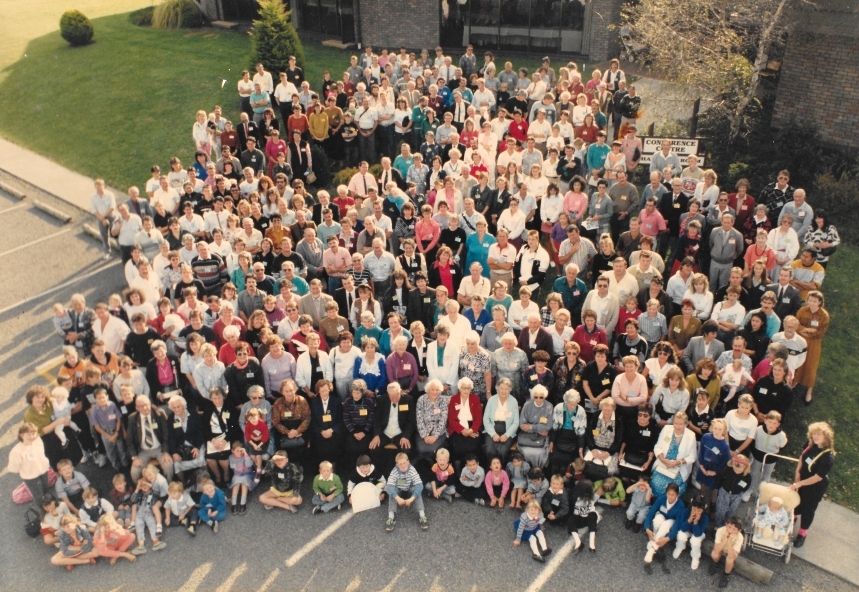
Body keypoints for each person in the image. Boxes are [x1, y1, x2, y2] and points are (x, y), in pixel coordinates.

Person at [791, 421, 835, 548]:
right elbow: (802, 456)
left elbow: (817, 477)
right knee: (796, 501)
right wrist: (797, 471)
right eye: (814, 433)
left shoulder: (828, 457)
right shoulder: (811, 444)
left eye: (819, 434)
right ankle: (792, 519)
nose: (815, 437)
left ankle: (802, 533)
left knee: (808, 509)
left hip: (815, 486)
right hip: (802, 478)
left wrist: (799, 484)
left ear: (826, 437)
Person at [650, 411, 697, 498]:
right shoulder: (666, 429)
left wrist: (678, 462)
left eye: (681, 424)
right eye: (675, 423)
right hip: (663, 464)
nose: (677, 426)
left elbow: (692, 457)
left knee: (674, 489)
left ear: (685, 424)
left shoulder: (691, 435)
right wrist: (663, 460)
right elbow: (657, 447)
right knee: (656, 484)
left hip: (679, 467)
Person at [642, 482, 686, 573]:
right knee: (657, 520)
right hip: (661, 516)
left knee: (665, 525)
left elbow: (677, 525)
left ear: (677, 495)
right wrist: (646, 528)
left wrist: (668, 538)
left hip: (671, 521)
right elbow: (651, 513)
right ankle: (655, 539)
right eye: (668, 494)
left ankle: (652, 549)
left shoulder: (681, 505)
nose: (670, 497)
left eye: (673, 495)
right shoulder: (661, 498)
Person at [795, 290, 829, 405]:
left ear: (820, 302)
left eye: (815, 301)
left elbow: (820, 333)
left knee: (811, 364)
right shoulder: (802, 310)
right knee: (799, 360)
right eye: (810, 300)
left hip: (814, 343)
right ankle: (796, 380)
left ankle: (809, 388)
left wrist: (807, 333)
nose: (812, 303)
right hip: (801, 339)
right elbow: (796, 324)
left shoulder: (824, 316)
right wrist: (806, 330)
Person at [385, 452, 428, 532]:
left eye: (404, 463)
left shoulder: (412, 470)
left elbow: (419, 485)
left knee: (417, 491)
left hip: (409, 489)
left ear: (408, 462)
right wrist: (397, 498)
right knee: (391, 492)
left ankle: (422, 516)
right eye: (400, 464)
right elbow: (389, 486)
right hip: (399, 490)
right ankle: (391, 517)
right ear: (397, 464)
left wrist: (412, 498)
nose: (403, 465)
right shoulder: (395, 471)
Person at [713, 455, 752, 527]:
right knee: (721, 511)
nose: (737, 471)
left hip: (737, 495)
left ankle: (727, 524)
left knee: (731, 511)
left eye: (739, 469)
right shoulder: (726, 470)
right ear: (732, 464)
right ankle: (717, 525)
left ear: (745, 467)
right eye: (735, 469)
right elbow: (719, 478)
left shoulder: (747, 476)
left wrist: (740, 492)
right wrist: (717, 487)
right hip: (724, 492)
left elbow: (746, 486)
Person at [672, 496, 709, 571]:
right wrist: (689, 520)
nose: (696, 512)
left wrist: (695, 522)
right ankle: (680, 547)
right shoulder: (686, 511)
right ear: (691, 507)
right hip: (688, 529)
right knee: (681, 534)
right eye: (694, 509)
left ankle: (695, 557)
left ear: (703, 510)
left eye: (699, 511)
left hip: (699, 531)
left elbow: (698, 534)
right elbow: (682, 528)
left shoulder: (705, 518)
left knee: (695, 540)